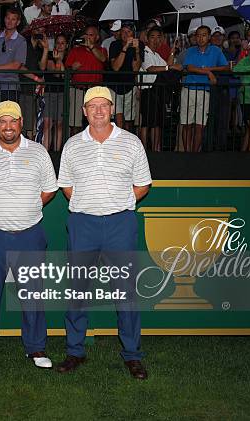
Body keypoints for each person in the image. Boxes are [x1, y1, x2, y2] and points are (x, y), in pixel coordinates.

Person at [56, 86, 151, 380]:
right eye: (92, 106)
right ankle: (75, 351)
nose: (98, 111)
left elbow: (143, 184)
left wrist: (118, 204)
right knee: (77, 291)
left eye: (104, 106)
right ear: (84, 112)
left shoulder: (131, 142)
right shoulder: (73, 144)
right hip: (83, 223)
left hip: (120, 223)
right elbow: (67, 186)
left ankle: (132, 355)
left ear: (112, 109)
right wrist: (89, 204)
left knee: (126, 293)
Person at [0, 100, 58, 371]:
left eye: (13, 121)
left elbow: (49, 189)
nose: (8, 126)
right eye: (2, 121)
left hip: (30, 233)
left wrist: (28, 209)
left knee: (32, 295)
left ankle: (36, 347)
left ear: (21, 123)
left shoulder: (39, 152)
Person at [180, 25, 228, 152]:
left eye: (204, 35)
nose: (201, 38)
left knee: (200, 125)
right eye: (198, 35)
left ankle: (195, 154)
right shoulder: (190, 50)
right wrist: (207, 73)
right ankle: (187, 152)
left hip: (204, 91)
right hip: (189, 89)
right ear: (195, 37)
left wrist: (210, 69)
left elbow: (226, 67)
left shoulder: (216, 51)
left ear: (209, 37)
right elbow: (189, 67)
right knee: (187, 124)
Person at [0, 8, 26, 140]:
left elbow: (17, 64)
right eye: (8, 18)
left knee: (7, 119)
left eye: (13, 19)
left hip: (10, 87)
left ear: (18, 22)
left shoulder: (21, 41)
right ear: (4, 19)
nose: (10, 21)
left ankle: (5, 144)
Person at [139, 26, 182, 151]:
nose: (155, 40)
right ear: (147, 39)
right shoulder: (144, 52)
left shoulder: (156, 54)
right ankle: (144, 150)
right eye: (152, 37)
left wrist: (173, 51)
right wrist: (170, 68)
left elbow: (166, 65)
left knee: (157, 122)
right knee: (147, 122)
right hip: (148, 90)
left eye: (158, 37)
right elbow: (150, 68)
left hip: (158, 92)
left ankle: (156, 149)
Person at [65, 25, 107, 133]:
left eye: (91, 35)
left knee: (95, 122)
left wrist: (92, 47)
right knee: (75, 123)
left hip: (95, 91)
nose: (88, 38)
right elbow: (66, 70)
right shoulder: (76, 50)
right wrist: (72, 68)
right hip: (78, 89)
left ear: (97, 37)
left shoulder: (102, 50)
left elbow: (103, 59)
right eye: (86, 35)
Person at [108, 22, 143, 131]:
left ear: (133, 33)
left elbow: (136, 69)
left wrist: (137, 51)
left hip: (129, 85)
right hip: (115, 85)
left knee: (129, 120)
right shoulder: (115, 45)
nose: (125, 34)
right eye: (123, 31)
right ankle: (118, 143)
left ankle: (127, 143)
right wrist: (125, 47)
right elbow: (116, 67)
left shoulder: (139, 45)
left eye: (128, 32)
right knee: (118, 119)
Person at [43, 33, 69, 151]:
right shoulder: (49, 56)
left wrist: (60, 61)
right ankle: (46, 151)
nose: (59, 45)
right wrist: (58, 60)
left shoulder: (69, 56)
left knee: (59, 124)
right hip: (49, 92)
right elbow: (55, 73)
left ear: (67, 45)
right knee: (48, 123)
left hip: (62, 93)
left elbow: (64, 76)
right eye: (58, 43)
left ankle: (57, 152)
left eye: (62, 43)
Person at [233, 45, 250, 151]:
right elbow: (235, 70)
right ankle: (245, 152)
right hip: (247, 99)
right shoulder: (245, 61)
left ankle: (248, 151)